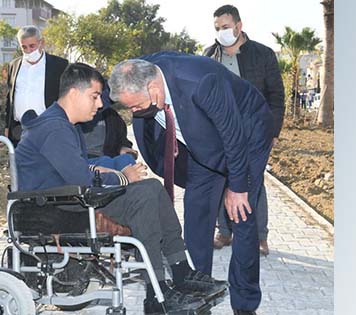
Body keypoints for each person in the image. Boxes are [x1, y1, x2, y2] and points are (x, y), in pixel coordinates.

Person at [15, 63, 227, 313]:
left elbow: (79, 168)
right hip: (55, 209)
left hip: (66, 199)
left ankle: (181, 271)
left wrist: (111, 169)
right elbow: (82, 179)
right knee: (145, 195)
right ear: (74, 93)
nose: (100, 104)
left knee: (153, 188)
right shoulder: (54, 127)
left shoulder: (61, 124)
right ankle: (156, 295)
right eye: (94, 96)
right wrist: (123, 177)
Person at [109, 52, 274, 315]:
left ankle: (245, 304)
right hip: (202, 145)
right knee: (197, 216)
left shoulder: (200, 81)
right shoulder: (139, 75)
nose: (133, 113)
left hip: (247, 136)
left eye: (136, 106)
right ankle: (198, 296)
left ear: (153, 88)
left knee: (241, 218)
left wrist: (237, 187)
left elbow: (233, 135)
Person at [203, 4, 285, 256]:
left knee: (253, 181)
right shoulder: (209, 55)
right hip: (220, 132)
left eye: (226, 27)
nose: (221, 32)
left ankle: (259, 236)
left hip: (254, 131)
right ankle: (225, 231)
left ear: (239, 26)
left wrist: (272, 131)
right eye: (217, 28)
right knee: (222, 178)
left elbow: (276, 96)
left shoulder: (263, 54)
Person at [3, 25, 68, 146]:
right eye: (24, 47)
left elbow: (67, 97)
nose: (28, 51)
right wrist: (7, 126)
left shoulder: (59, 65)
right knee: (19, 163)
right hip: (19, 130)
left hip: (48, 127)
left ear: (41, 43)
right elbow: (10, 97)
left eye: (32, 46)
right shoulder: (14, 65)